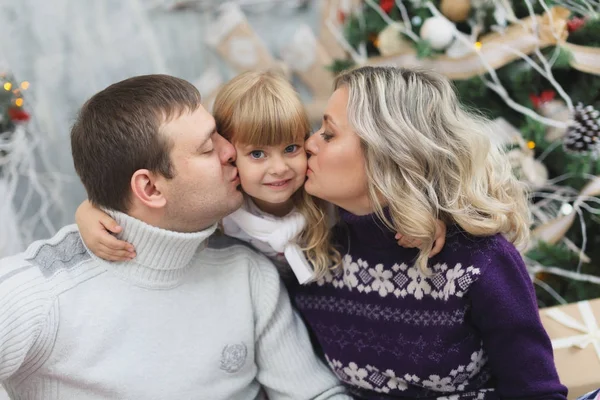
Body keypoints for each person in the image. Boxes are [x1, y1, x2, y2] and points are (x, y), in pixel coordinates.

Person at [0, 74, 352, 400]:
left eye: (219, 135)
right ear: (150, 188)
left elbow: (315, 394)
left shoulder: (248, 273)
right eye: (207, 147)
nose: (231, 150)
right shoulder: (39, 293)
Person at [293, 66, 568, 399]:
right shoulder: (313, 249)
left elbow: (536, 394)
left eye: (328, 133)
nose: (308, 143)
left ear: (387, 151)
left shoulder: (480, 261)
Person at [75, 70, 447, 289]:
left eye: (291, 148)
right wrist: (89, 211)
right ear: (229, 153)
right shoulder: (223, 209)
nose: (279, 169)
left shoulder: (320, 194)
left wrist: (424, 213)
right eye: (256, 154)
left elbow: (382, 185)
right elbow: (151, 202)